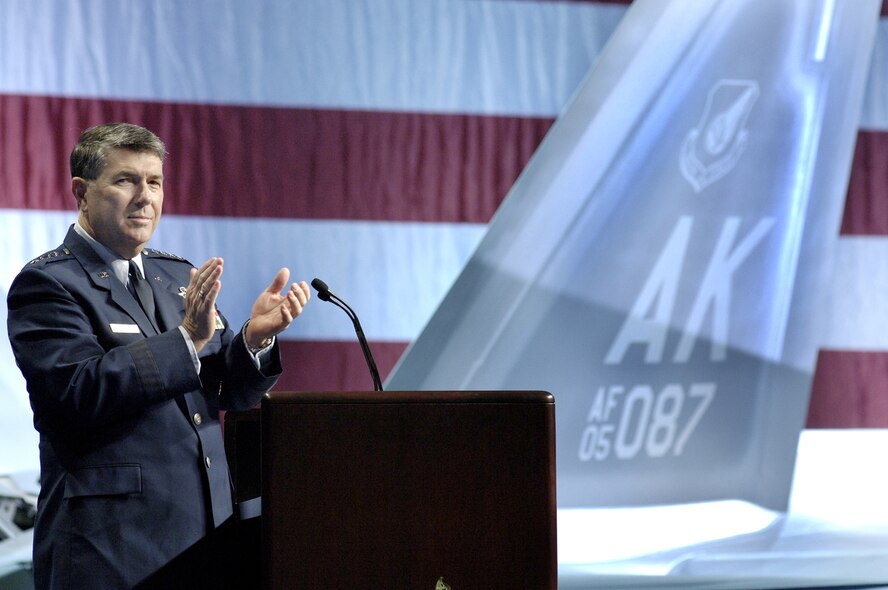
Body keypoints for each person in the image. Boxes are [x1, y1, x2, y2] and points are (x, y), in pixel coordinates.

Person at [6, 122, 312, 589]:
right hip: (111, 547)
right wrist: (187, 339)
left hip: (207, 534)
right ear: (81, 192)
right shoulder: (48, 284)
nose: (145, 197)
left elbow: (227, 390)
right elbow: (76, 392)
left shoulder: (176, 277)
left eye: (154, 182)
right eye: (126, 180)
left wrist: (254, 339)